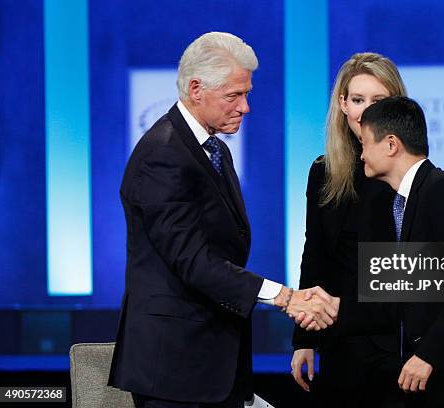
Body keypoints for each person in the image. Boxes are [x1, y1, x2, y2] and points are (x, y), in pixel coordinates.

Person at [107, 32, 338, 408]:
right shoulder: (163, 156)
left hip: (213, 359)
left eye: (246, 94)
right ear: (196, 89)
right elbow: (193, 262)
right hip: (174, 368)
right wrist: (283, 296)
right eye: (234, 95)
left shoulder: (211, 148)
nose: (245, 107)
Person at [301, 96, 444, 407]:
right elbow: (404, 295)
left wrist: (428, 354)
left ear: (391, 145)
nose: (362, 154)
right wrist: (338, 307)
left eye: (366, 143)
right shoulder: (403, 203)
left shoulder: (443, 190)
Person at [290, 53, 406, 407]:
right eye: (358, 100)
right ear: (343, 104)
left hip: (396, 339)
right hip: (340, 339)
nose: (366, 112)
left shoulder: (411, 175)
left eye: (378, 101)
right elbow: (316, 255)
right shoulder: (323, 171)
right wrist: (304, 337)